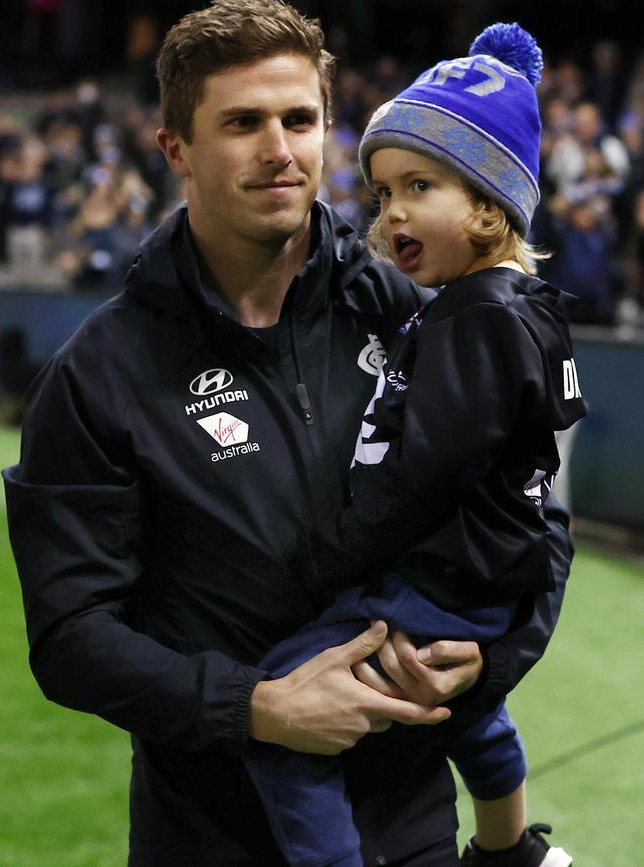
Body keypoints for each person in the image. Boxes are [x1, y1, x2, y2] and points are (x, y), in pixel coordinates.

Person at [3, 3, 575, 865]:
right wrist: (254, 707)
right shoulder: (100, 375)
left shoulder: (408, 311)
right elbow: (72, 636)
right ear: (176, 150)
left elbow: (537, 514)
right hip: (214, 836)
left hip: (414, 825)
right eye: (242, 123)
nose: (278, 148)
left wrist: (489, 663)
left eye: (299, 119)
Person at [242, 23, 583, 867]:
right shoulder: (517, 307)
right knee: (472, 713)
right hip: (481, 583)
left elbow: (424, 472)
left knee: (281, 707)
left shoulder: (478, 316)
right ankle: (513, 852)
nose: (391, 212)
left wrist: (332, 552)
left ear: (487, 204)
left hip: (436, 578)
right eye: (383, 193)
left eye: (418, 186)